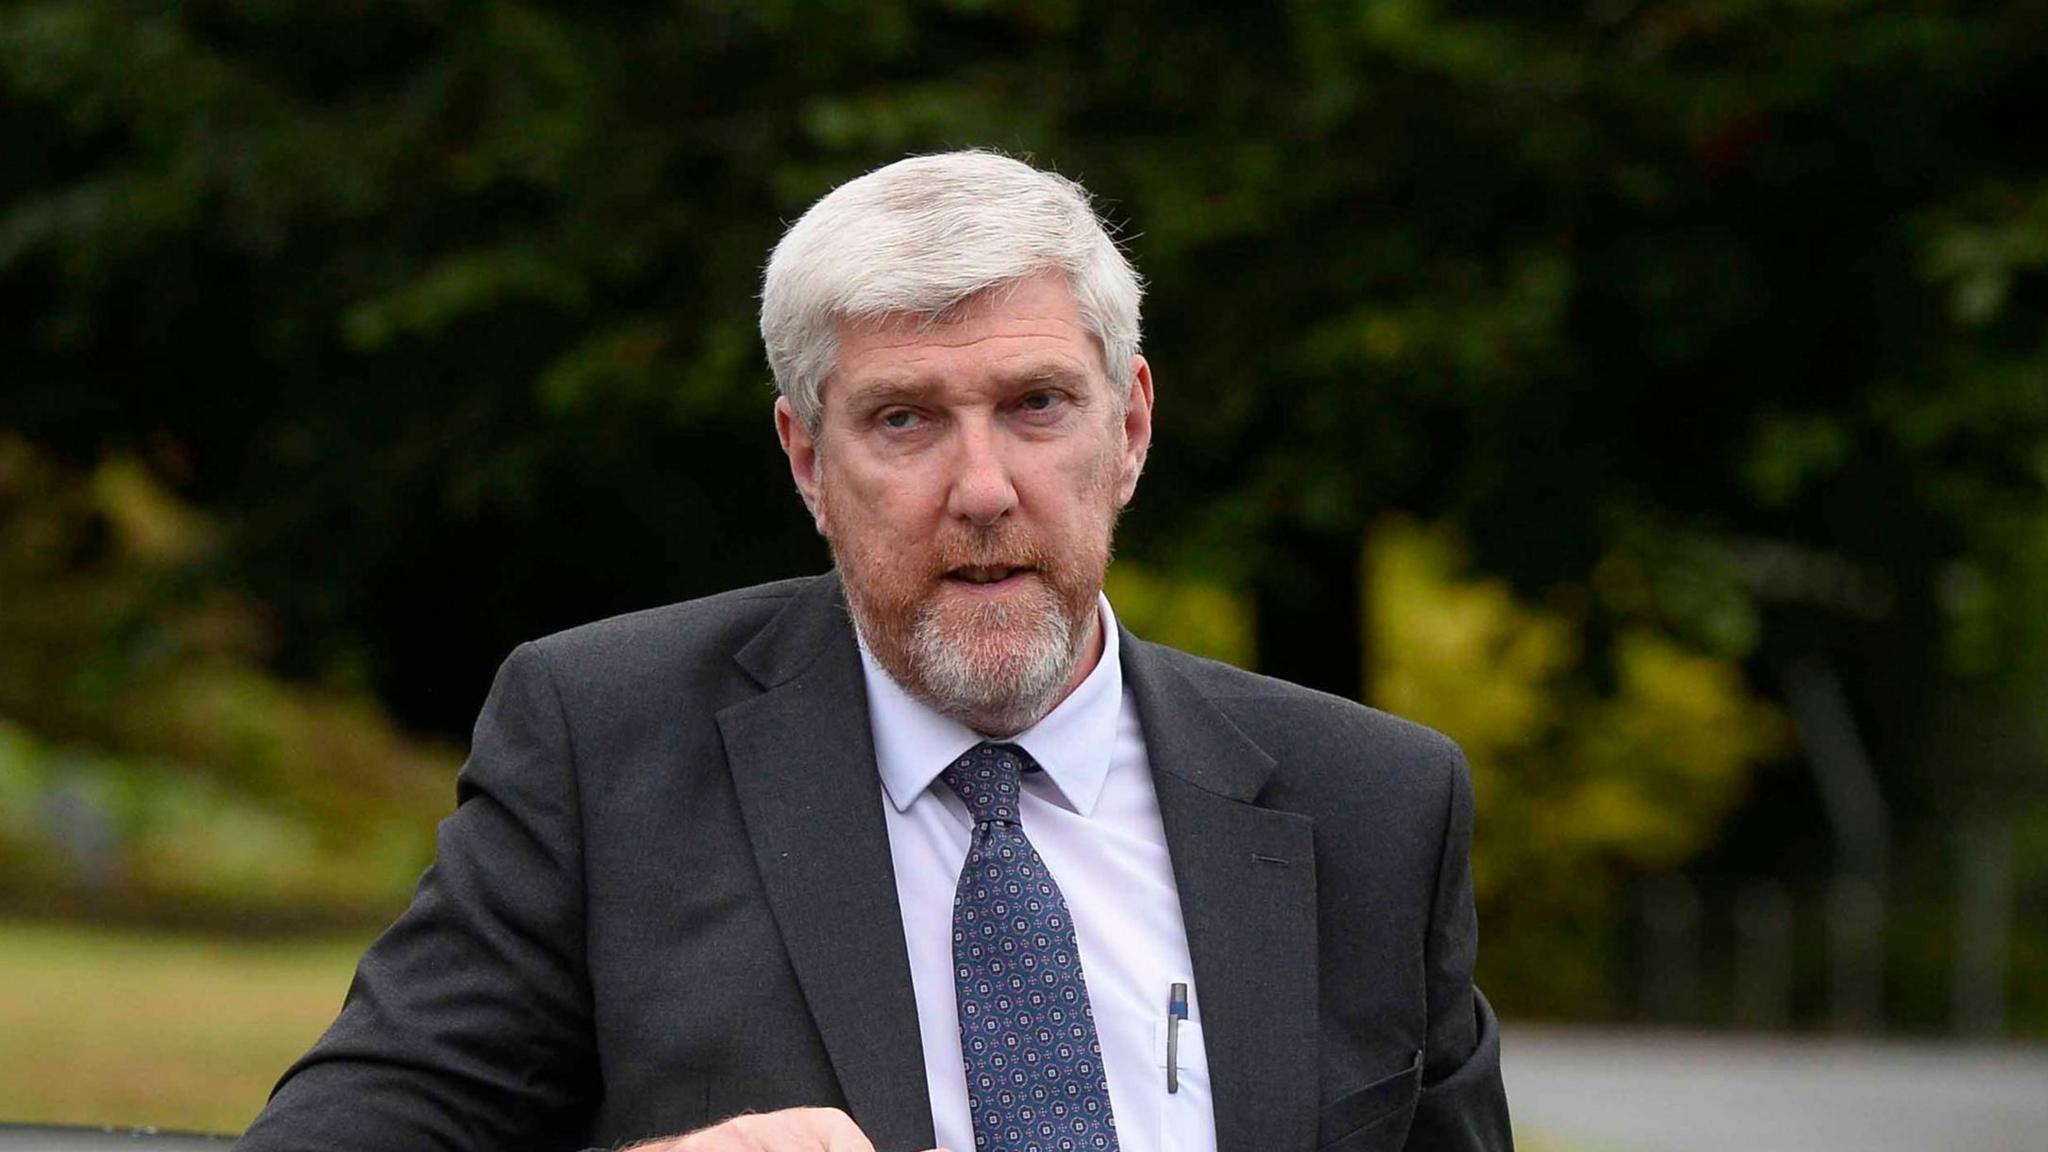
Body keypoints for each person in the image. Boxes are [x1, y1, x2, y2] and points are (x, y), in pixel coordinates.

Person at [236, 151, 1511, 1152]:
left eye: (1035, 406)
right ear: (806, 459)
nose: (982, 489)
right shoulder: (605, 744)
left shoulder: (1372, 805)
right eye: (903, 419)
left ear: (1126, 429)